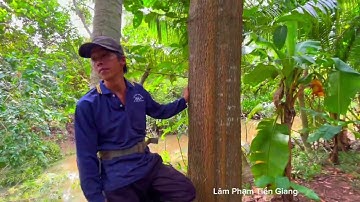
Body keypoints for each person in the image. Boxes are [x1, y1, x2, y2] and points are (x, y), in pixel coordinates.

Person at [74, 36, 196, 202]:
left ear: (122, 60)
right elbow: (85, 157)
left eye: (105, 56)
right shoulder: (87, 105)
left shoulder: (137, 91)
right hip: (117, 179)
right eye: (94, 59)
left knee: (184, 191)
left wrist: (184, 101)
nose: (99, 63)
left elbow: (159, 111)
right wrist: (95, 198)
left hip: (146, 165)